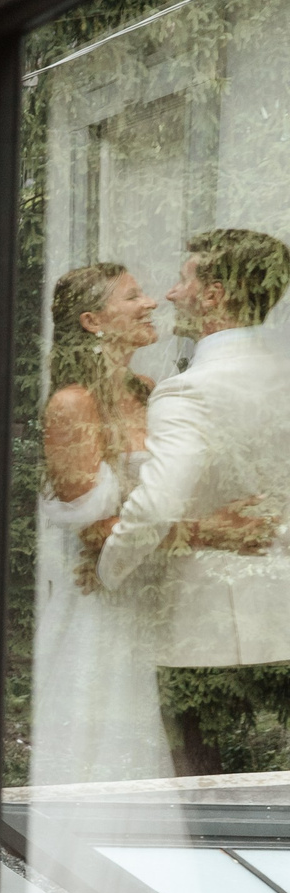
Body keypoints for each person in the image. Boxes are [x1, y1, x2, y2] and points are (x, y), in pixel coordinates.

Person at [92, 230, 290, 776]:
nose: (171, 294)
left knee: (199, 783)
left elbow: (157, 507)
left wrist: (108, 570)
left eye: (185, 281)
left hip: (205, 632)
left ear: (214, 295)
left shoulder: (190, 391)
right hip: (279, 614)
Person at [30, 264, 172, 786]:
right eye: (133, 296)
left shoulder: (149, 391)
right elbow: (89, 529)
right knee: (100, 749)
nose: (150, 302)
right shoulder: (73, 404)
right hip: (96, 603)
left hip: (147, 594)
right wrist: (203, 533)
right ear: (92, 321)